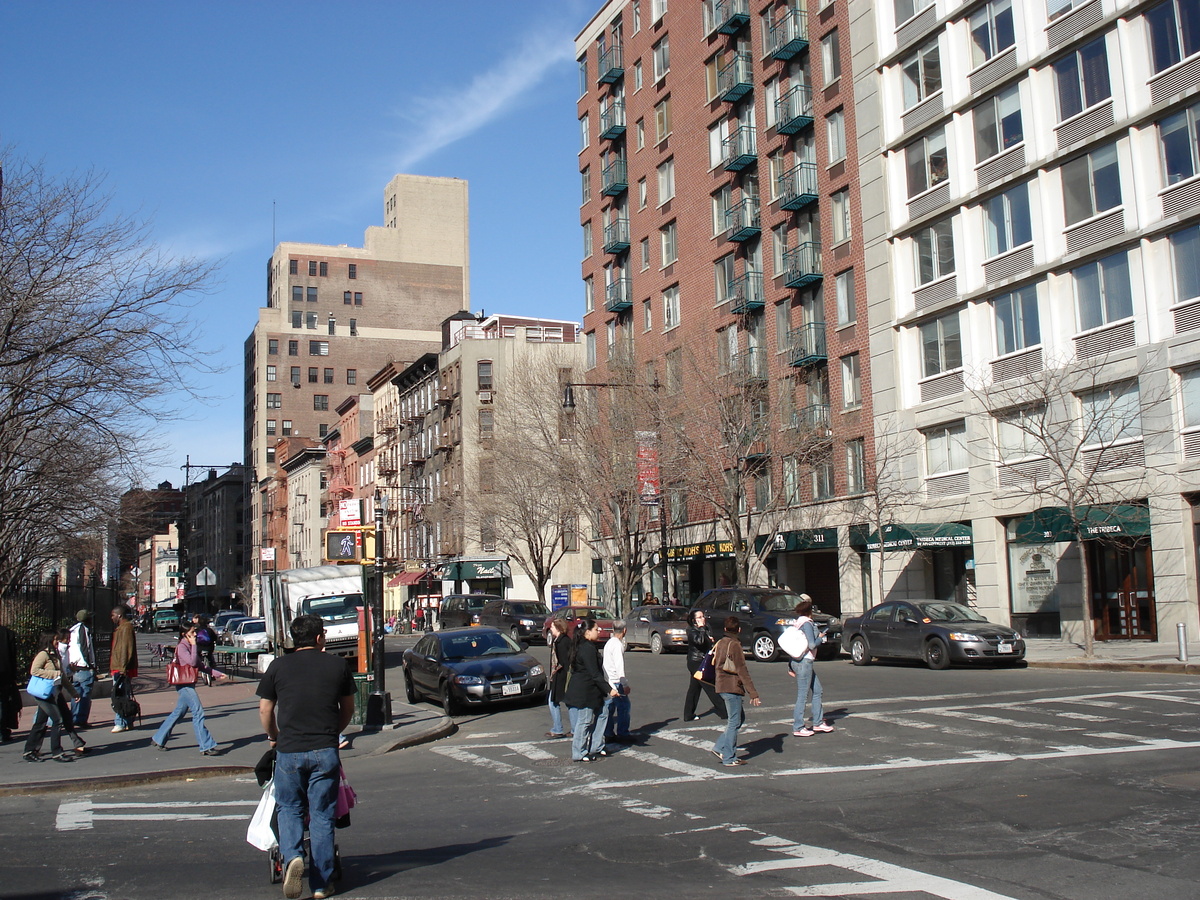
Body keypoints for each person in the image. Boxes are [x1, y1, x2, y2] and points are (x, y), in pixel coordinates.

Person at [258, 614, 355, 900]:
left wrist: (275, 735)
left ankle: (293, 858)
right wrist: (331, 733)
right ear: (318, 638)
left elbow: (265, 710)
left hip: (289, 750)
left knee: (289, 808)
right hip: (324, 749)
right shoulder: (337, 665)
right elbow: (347, 708)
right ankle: (322, 884)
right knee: (322, 816)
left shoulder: (278, 666)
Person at [150, 623, 226, 754]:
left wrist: (217, 674)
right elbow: (191, 662)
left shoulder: (190, 646)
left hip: (189, 683)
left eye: (195, 632)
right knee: (198, 712)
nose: (195, 635)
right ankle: (206, 746)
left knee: (178, 713)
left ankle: (158, 738)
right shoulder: (182, 647)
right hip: (184, 685)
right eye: (192, 633)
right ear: (184, 634)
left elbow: (200, 666)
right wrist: (194, 645)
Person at [22, 632, 86, 762]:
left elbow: (62, 677)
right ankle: (56, 752)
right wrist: (53, 673)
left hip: (52, 693)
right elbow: (34, 670)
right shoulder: (43, 655)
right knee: (58, 720)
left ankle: (29, 750)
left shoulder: (55, 656)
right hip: (43, 693)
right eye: (56, 640)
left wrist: (73, 692)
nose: (58, 642)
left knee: (40, 723)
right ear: (50, 641)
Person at [563, 617, 617, 763]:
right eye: (595, 629)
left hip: (593, 690)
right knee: (585, 720)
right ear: (587, 632)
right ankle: (579, 752)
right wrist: (609, 689)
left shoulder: (586, 645)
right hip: (585, 690)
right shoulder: (586, 648)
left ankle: (597, 746)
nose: (599, 631)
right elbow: (594, 673)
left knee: (603, 713)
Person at [711, 616, 760, 767]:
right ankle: (729, 757)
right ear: (739, 630)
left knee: (738, 718)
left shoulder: (721, 642)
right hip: (732, 687)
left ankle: (720, 747)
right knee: (734, 721)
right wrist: (753, 693)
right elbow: (742, 670)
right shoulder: (735, 645)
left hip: (720, 685)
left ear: (725, 629)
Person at [788, 597, 833, 737]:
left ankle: (818, 722)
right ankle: (798, 726)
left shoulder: (797, 623)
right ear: (809, 612)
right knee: (803, 694)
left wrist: (790, 665)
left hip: (798, 660)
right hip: (804, 662)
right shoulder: (807, 624)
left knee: (817, 690)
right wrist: (821, 638)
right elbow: (812, 644)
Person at [683, 609, 726, 722]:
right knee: (710, 686)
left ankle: (688, 714)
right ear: (694, 620)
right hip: (696, 662)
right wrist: (702, 629)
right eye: (700, 617)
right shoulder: (691, 630)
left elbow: (706, 643)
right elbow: (699, 641)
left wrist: (710, 640)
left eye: (703, 616)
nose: (703, 619)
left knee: (694, 688)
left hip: (703, 660)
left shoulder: (706, 628)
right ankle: (724, 711)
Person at [600, 619, 634, 745]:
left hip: (608, 679)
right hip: (616, 681)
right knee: (624, 706)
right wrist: (624, 683)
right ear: (624, 630)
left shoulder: (609, 643)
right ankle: (623, 733)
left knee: (610, 707)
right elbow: (619, 666)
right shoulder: (617, 645)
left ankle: (608, 732)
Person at [109, 605, 139, 733]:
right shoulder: (122, 628)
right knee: (124, 695)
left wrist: (122, 667)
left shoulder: (125, 628)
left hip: (121, 668)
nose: (112, 618)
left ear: (119, 615)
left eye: (113, 615)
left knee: (119, 696)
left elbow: (126, 649)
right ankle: (127, 721)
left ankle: (120, 721)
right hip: (120, 667)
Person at [68, 610, 97, 728]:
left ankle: (74, 716)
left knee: (76, 693)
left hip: (75, 666)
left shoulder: (73, 630)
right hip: (83, 666)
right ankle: (81, 719)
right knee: (85, 694)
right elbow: (85, 648)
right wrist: (90, 665)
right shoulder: (83, 630)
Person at [545, 618, 572, 739]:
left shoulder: (562, 642)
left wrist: (558, 674)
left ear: (558, 628)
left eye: (552, 626)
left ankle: (558, 728)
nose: (550, 628)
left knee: (554, 702)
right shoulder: (560, 640)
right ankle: (573, 728)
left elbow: (564, 662)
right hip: (559, 676)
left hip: (561, 677)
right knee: (564, 702)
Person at [0, 618, 18, 743]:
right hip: (5, 675)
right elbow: (13, 657)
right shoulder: (7, 634)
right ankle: (2, 731)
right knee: (2, 704)